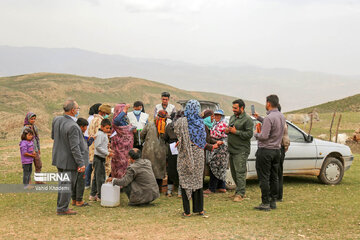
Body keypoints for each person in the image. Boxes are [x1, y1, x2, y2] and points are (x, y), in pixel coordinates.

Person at [174, 100, 218, 217]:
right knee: (198, 181)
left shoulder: (181, 122)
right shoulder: (201, 124)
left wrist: (182, 141)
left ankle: (187, 211)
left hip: (185, 154)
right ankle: (199, 209)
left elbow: (177, 134)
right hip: (198, 155)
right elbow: (204, 141)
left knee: (185, 180)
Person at [51, 99, 87, 215]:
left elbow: (53, 136)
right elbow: (75, 148)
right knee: (67, 185)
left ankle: (61, 206)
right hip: (69, 161)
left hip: (58, 157)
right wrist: (81, 163)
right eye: (78, 108)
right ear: (73, 110)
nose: (78, 111)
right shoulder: (73, 126)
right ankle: (63, 209)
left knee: (62, 184)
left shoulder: (57, 120)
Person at [253, 95, 285, 211]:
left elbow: (264, 136)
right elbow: (273, 126)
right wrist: (259, 118)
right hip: (277, 150)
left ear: (268, 103)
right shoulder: (281, 116)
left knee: (264, 177)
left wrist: (256, 134)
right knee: (274, 177)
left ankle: (265, 202)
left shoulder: (269, 118)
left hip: (266, 150)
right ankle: (273, 201)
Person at [225, 99, 254, 202]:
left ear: (242, 108)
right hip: (232, 149)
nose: (233, 110)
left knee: (240, 172)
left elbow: (249, 134)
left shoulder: (247, 120)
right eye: (233, 108)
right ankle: (237, 191)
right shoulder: (233, 117)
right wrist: (228, 131)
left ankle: (241, 194)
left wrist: (236, 132)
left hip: (241, 150)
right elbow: (231, 129)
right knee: (234, 173)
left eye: (235, 108)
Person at [141, 110, 168, 190]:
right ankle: (158, 188)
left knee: (148, 169)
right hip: (161, 151)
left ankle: (147, 188)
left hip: (148, 150)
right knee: (159, 170)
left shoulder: (149, 124)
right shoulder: (166, 126)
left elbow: (142, 135)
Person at [86, 103, 111, 189]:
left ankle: (95, 190)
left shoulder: (93, 119)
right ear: (104, 112)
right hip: (100, 149)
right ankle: (99, 190)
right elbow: (100, 136)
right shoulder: (100, 121)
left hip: (93, 148)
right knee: (101, 171)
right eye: (107, 114)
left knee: (95, 170)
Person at [205, 109, 229, 194]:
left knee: (215, 166)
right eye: (216, 115)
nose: (217, 117)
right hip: (217, 146)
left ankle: (212, 188)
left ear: (222, 116)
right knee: (219, 166)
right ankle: (221, 187)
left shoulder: (223, 124)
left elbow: (220, 135)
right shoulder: (213, 124)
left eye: (219, 115)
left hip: (221, 147)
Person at [89, 119, 113, 201]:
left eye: (109, 128)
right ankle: (100, 196)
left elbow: (102, 145)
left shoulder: (103, 134)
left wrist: (108, 148)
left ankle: (92, 195)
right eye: (106, 128)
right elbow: (98, 147)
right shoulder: (100, 135)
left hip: (101, 158)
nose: (108, 130)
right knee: (100, 178)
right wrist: (107, 153)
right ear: (101, 127)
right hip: (98, 158)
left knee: (96, 176)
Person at [111, 104, 134, 179]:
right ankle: (119, 181)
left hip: (127, 147)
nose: (126, 111)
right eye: (123, 109)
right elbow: (116, 122)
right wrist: (124, 111)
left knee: (126, 163)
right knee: (120, 164)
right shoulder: (116, 119)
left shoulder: (124, 118)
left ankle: (125, 181)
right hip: (120, 147)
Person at [71, 118, 91, 207]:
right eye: (85, 127)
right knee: (80, 181)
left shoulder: (79, 135)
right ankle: (79, 200)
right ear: (81, 127)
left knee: (76, 181)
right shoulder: (77, 135)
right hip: (80, 162)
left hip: (79, 161)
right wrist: (81, 163)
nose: (86, 129)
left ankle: (74, 199)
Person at [163, 111, 183, 197]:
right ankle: (180, 192)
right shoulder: (183, 126)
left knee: (171, 168)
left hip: (172, 147)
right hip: (181, 146)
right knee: (181, 168)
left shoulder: (168, 126)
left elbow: (165, 138)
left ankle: (169, 191)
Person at [22, 112, 43, 183]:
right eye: (31, 119)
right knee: (28, 167)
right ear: (28, 119)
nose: (33, 120)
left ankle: (38, 180)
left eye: (34, 119)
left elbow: (37, 139)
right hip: (29, 151)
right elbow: (24, 140)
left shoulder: (34, 127)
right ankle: (28, 182)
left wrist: (38, 149)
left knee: (38, 165)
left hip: (35, 150)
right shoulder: (25, 128)